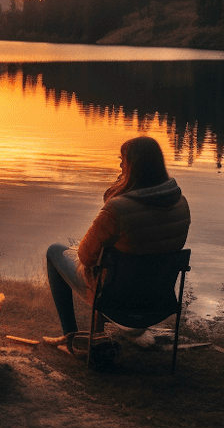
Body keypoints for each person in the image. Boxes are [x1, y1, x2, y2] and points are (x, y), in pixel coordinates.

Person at [46, 135, 191, 337]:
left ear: (134, 166)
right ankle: (129, 332)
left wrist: (115, 195)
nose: (120, 164)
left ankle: (70, 334)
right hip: (156, 299)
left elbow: (85, 258)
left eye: (123, 159)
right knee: (116, 256)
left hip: (114, 299)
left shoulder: (118, 208)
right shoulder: (181, 204)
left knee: (55, 251)